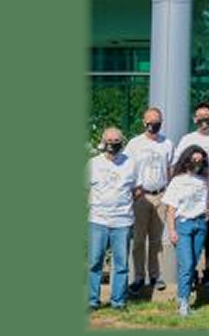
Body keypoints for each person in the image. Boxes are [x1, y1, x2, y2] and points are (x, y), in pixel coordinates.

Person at [174, 101, 209, 287]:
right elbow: (177, 165)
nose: (204, 121)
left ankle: (207, 271)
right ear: (195, 119)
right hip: (191, 196)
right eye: (201, 117)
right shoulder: (187, 139)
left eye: (208, 117)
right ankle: (191, 273)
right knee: (190, 236)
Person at [88, 127, 139, 311]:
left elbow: (136, 189)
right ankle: (92, 301)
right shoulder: (93, 163)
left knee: (121, 264)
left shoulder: (131, 164)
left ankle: (118, 301)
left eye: (116, 141)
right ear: (103, 141)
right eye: (109, 141)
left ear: (122, 142)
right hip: (98, 220)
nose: (112, 145)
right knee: (95, 262)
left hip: (122, 222)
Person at [124, 108, 173, 293]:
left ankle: (155, 275)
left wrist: (169, 193)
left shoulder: (167, 143)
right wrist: (133, 191)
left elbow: (170, 169)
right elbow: (126, 168)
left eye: (157, 121)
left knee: (157, 240)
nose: (154, 125)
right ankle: (138, 277)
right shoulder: (134, 143)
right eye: (150, 122)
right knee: (138, 240)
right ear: (144, 122)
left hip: (160, 194)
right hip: (141, 196)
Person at [163, 145, 209, 317]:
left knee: (192, 265)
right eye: (194, 159)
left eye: (200, 160)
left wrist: (208, 211)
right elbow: (170, 208)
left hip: (200, 225)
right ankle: (183, 303)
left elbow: (207, 201)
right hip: (182, 225)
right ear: (187, 159)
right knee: (187, 264)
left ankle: (184, 300)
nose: (197, 162)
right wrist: (172, 230)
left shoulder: (204, 180)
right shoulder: (178, 180)